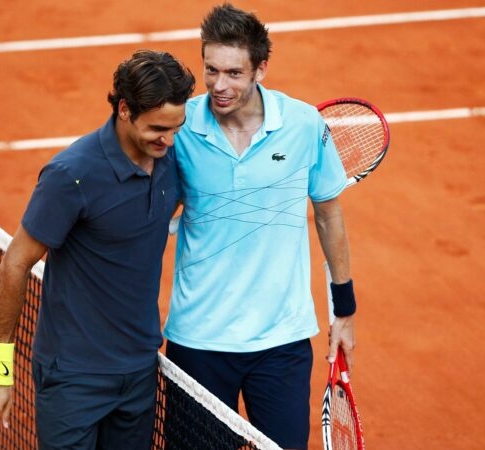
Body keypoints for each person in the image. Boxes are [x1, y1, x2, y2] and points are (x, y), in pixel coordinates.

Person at [0, 49, 195, 449]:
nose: (169, 139)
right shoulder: (71, 176)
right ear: (125, 110)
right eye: (158, 128)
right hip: (74, 377)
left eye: (176, 128)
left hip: (140, 369)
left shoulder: (170, 159)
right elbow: (16, 263)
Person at [163, 4, 356, 449]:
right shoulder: (182, 125)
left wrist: (343, 309)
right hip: (199, 339)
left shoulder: (305, 125)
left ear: (261, 69)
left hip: (281, 342)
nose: (219, 85)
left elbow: (329, 214)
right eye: (211, 70)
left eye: (233, 72)